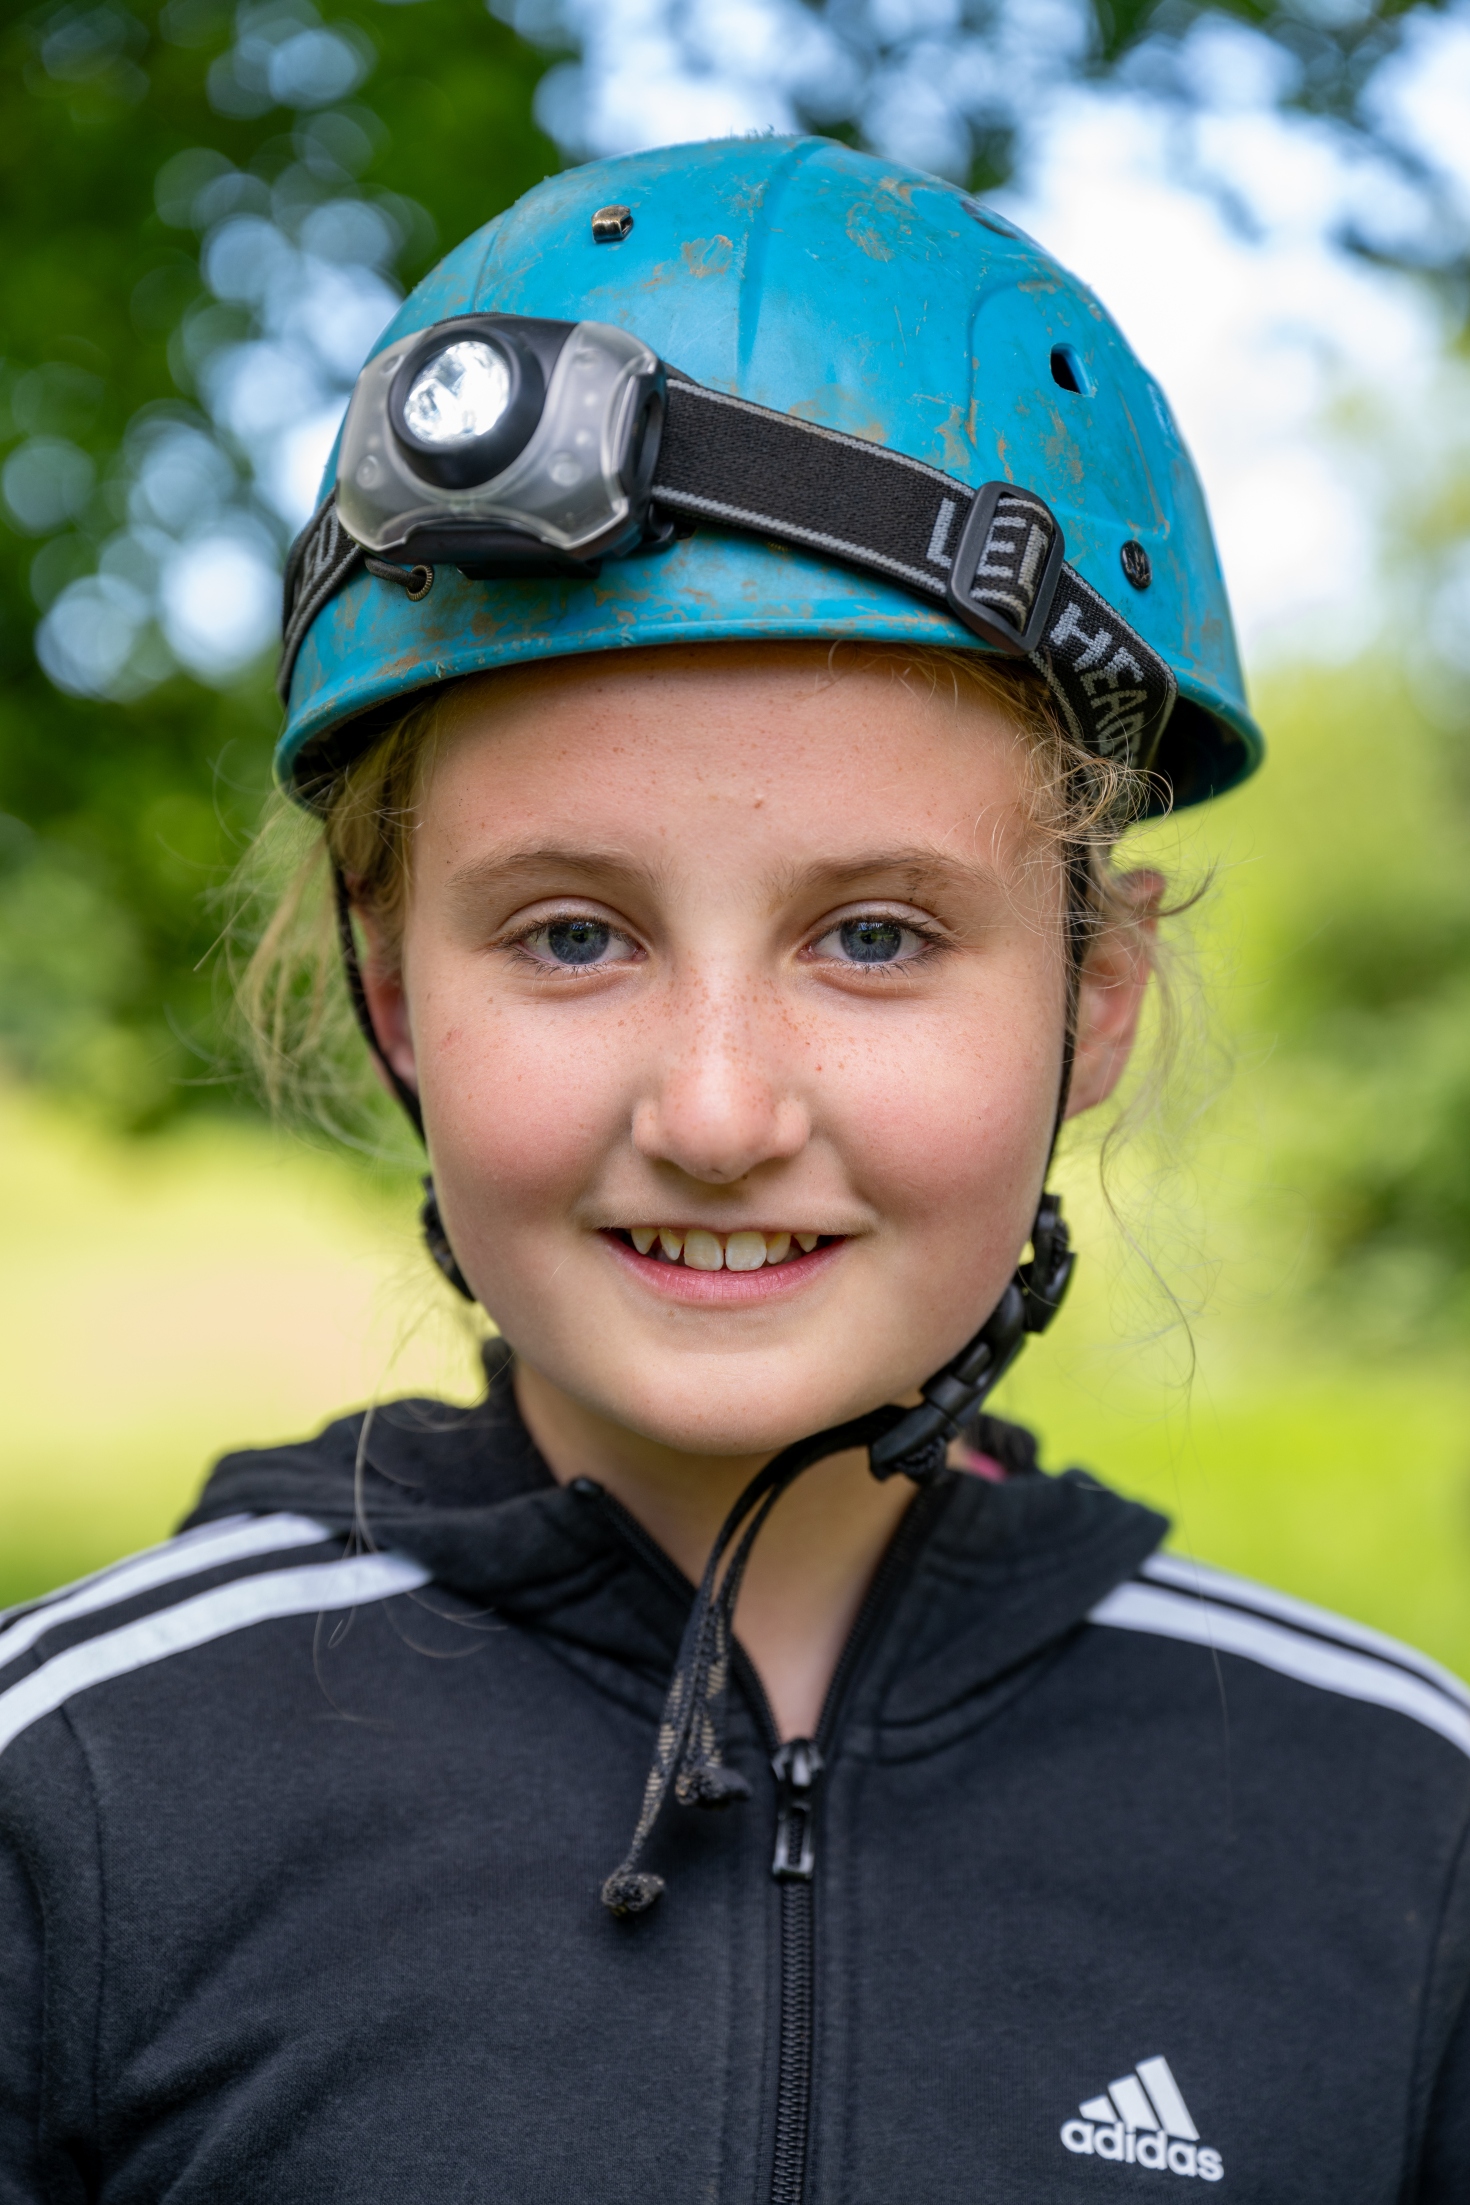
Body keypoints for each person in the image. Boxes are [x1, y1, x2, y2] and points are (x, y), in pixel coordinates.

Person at [0, 135, 1465, 2204]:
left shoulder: (1399, 1824)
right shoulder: (74, 1795)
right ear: (392, 983)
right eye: (570, 933)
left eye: (874, 935)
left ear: (1096, 992)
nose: (712, 1107)